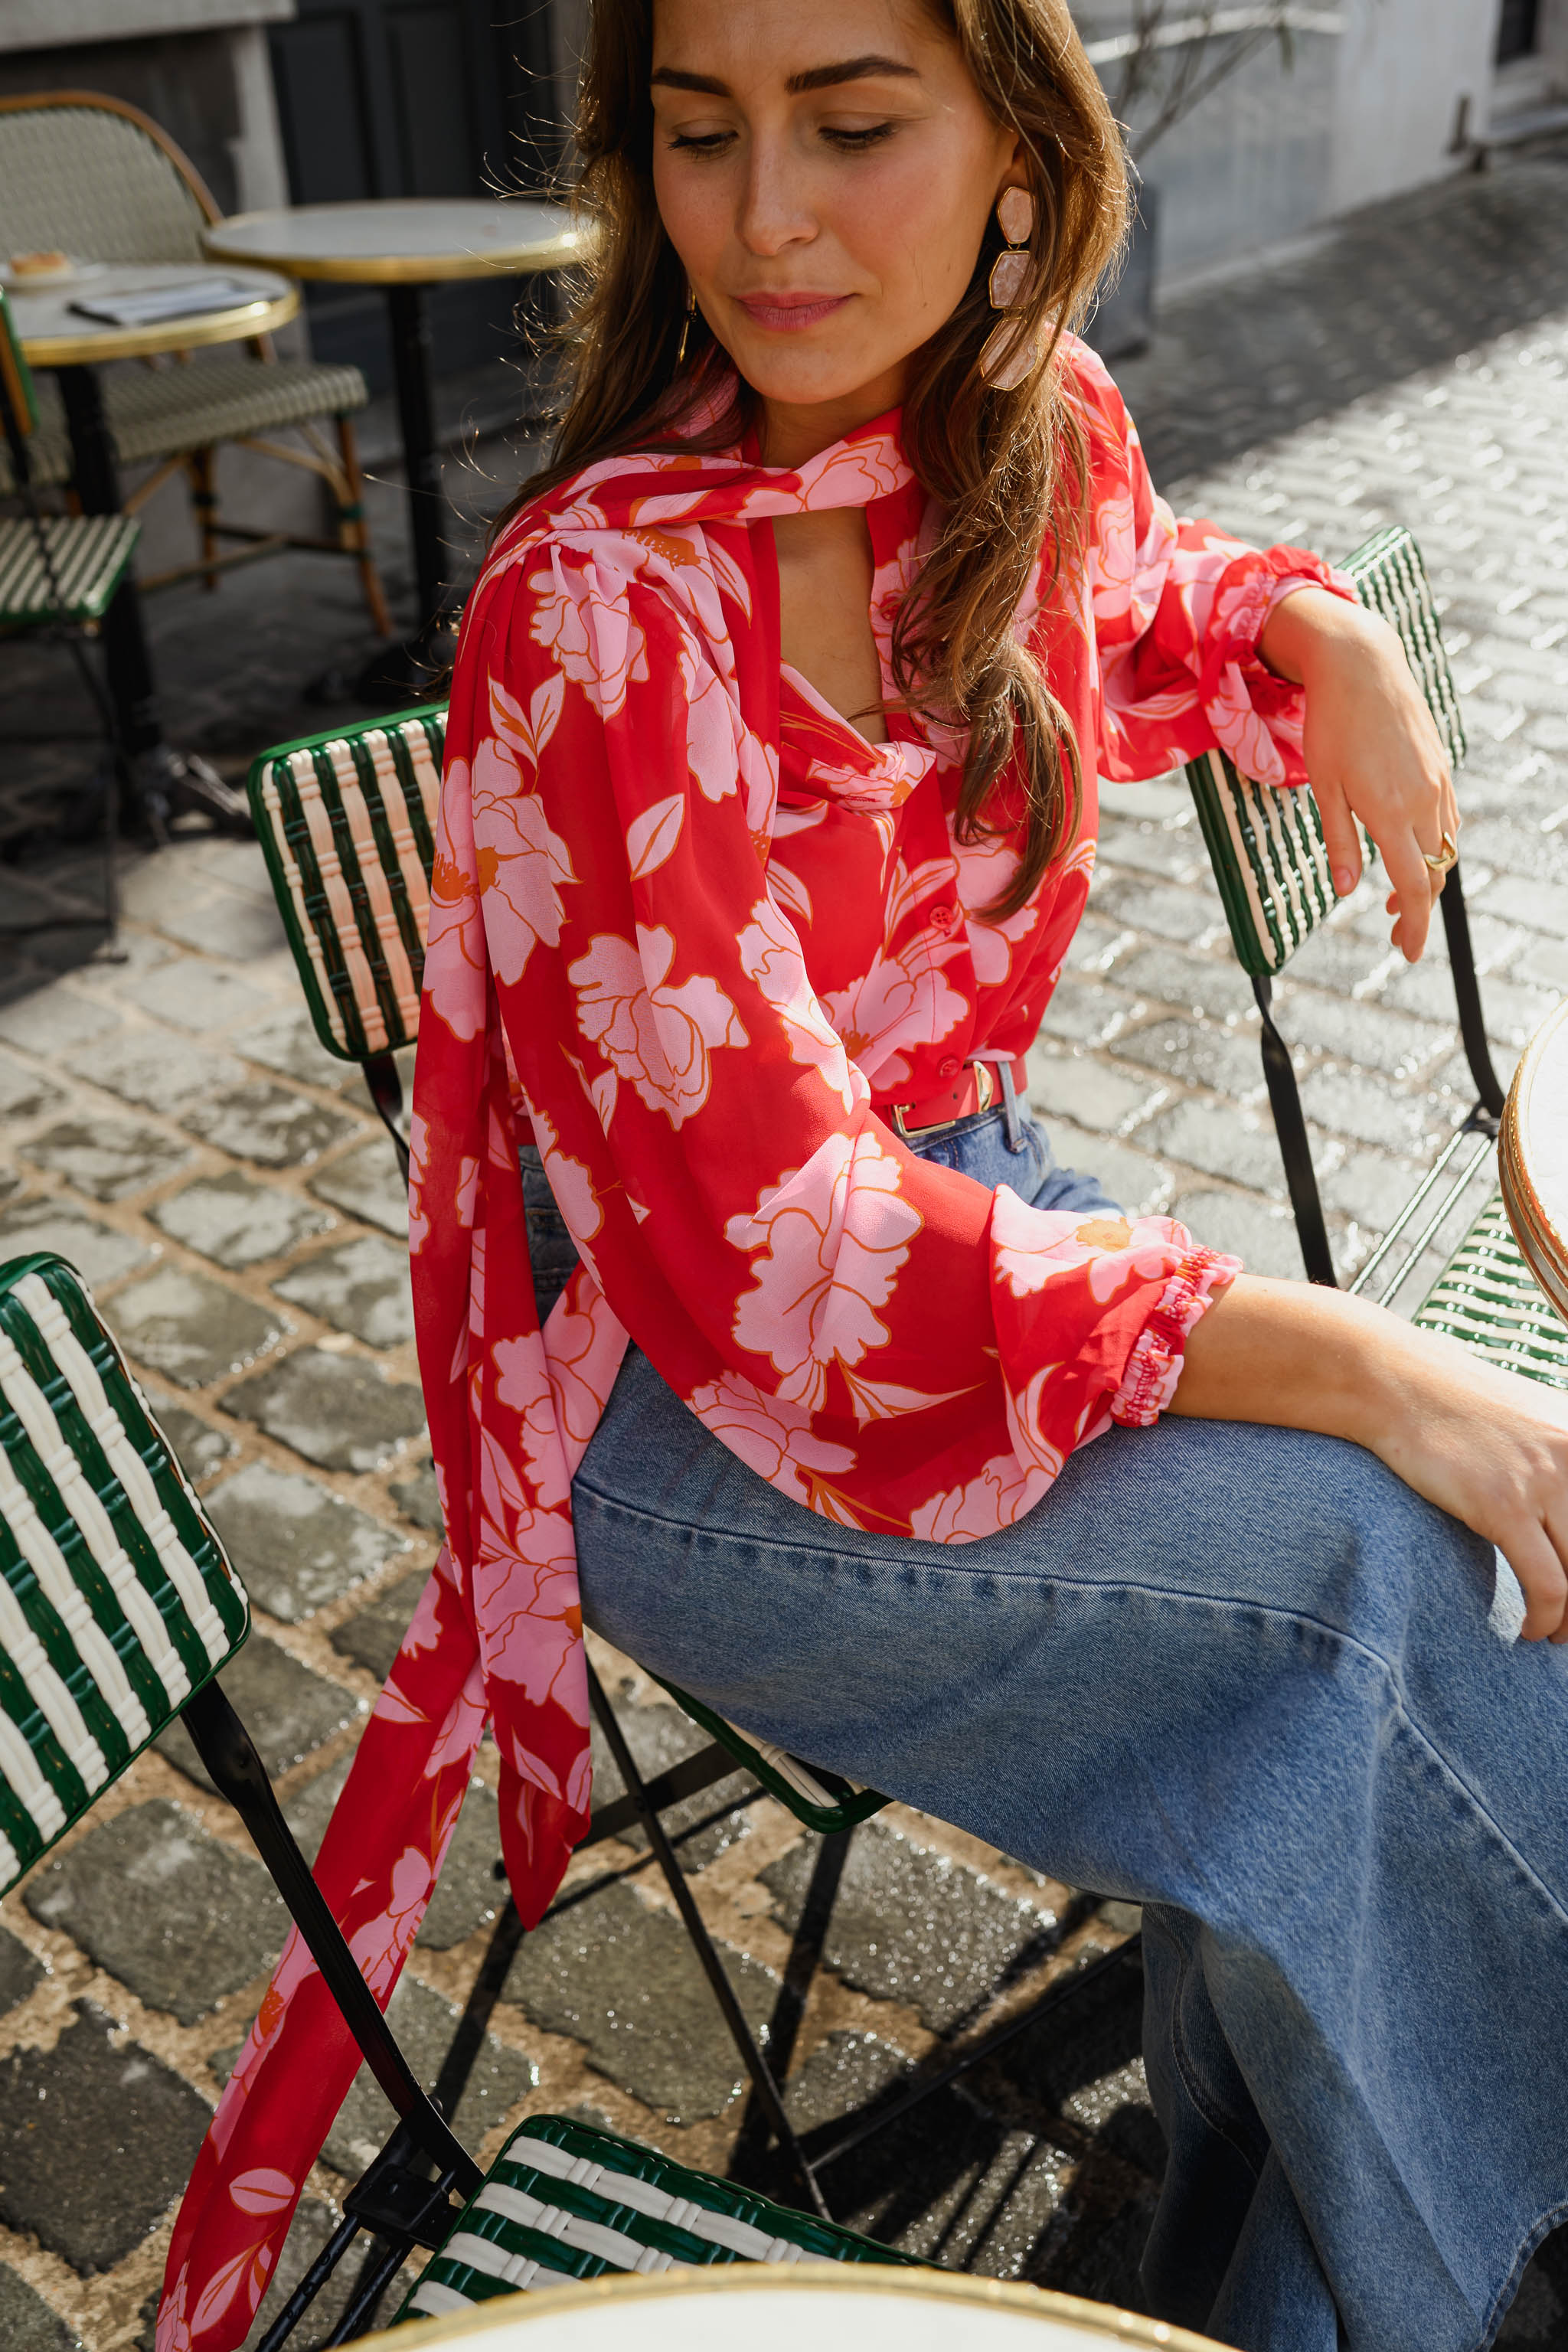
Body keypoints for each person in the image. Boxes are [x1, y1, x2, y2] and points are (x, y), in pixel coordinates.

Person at [158, 5, 1568, 2350]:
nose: (767, 215)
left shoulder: (1017, 440)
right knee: (1353, 1582)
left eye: (854, 120)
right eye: (700, 136)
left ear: (1024, 149)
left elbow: (1124, 619)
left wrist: (1309, 628)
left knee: (1357, 1648)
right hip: (671, 1384)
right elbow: (775, 1253)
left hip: (961, 1252)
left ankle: (1323, 2270)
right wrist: (1347, 1358)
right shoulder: (608, 610)